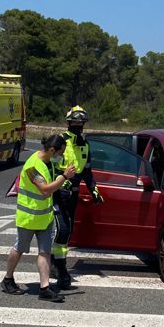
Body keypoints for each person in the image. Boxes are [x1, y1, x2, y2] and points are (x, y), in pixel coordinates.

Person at [2, 134, 73, 301]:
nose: (61, 156)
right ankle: (8, 279)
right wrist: (64, 177)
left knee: (45, 252)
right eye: (60, 153)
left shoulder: (48, 162)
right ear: (51, 150)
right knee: (20, 249)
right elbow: (45, 189)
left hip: (45, 217)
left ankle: (45, 289)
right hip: (29, 217)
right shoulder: (32, 166)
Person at [52, 106, 103, 290]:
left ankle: (58, 263)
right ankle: (57, 266)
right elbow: (50, 166)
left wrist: (94, 190)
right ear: (68, 123)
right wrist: (60, 180)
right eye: (74, 122)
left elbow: (87, 172)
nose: (77, 126)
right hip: (58, 192)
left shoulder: (85, 145)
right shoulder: (60, 141)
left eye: (80, 123)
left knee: (69, 230)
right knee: (62, 230)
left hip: (73, 193)